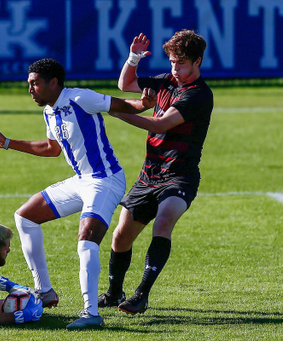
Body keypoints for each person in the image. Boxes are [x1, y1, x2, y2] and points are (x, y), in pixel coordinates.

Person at [0, 58, 154, 329]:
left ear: (53, 83)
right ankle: (44, 291)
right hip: (81, 181)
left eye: (35, 83)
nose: (30, 89)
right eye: (29, 84)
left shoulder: (81, 98)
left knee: (86, 240)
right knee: (25, 217)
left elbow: (122, 105)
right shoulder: (49, 111)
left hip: (105, 180)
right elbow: (51, 148)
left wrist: (143, 103)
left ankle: (91, 313)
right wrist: (7, 143)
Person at [98, 30, 214, 315]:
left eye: (182, 63)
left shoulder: (199, 94)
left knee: (163, 223)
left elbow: (161, 125)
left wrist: (114, 112)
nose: (175, 68)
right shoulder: (166, 81)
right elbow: (125, 84)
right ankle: (114, 293)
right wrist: (134, 57)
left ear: (198, 62)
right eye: (173, 61)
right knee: (120, 237)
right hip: (149, 175)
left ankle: (141, 295)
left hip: (180, 175)